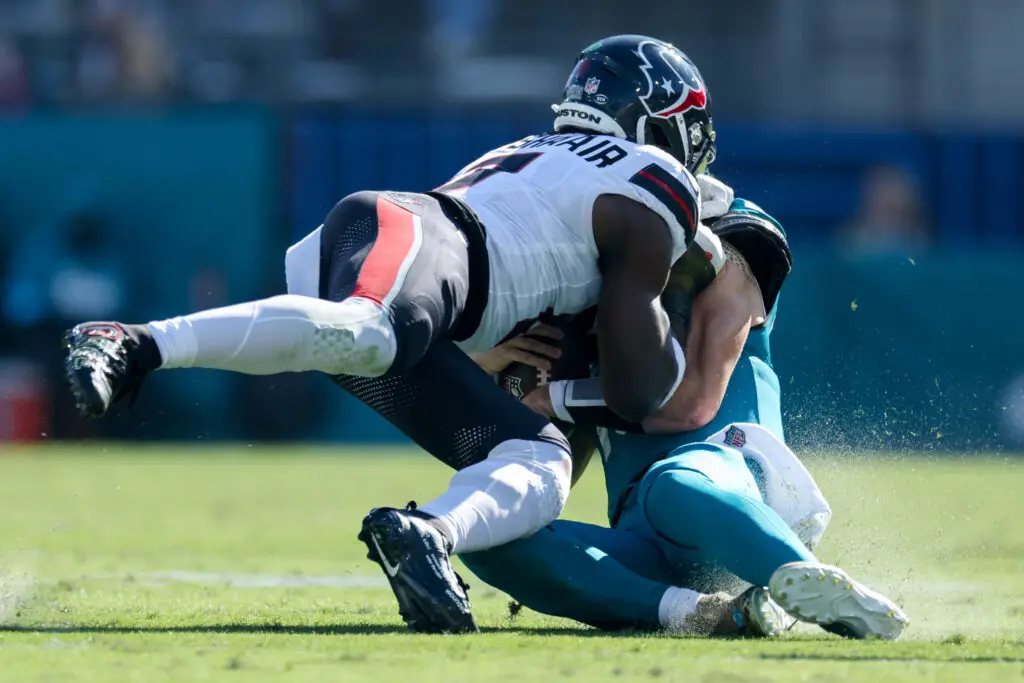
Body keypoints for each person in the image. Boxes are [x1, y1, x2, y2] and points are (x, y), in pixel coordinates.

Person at [63, 35, 713, 634]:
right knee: (371, 331)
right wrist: (677, 298)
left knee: (540, 463)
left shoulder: (536, 152)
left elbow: (510, 277)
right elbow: (636, 391)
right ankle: (134, 342)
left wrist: (546, 385)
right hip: (417, 240)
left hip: (423, 280)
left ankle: (427, 533)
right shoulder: (653, 186)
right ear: (658, 120)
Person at [460, 197, 910, 640]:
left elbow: (690, 406)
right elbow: (550, 475)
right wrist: (484, 366)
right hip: (647, 534)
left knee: (673, 485)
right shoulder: (578, 306)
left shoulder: (728, 263)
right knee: (486, 529)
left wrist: (551, 398)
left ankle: (803, 580)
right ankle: (695, 613)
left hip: (731, 472)